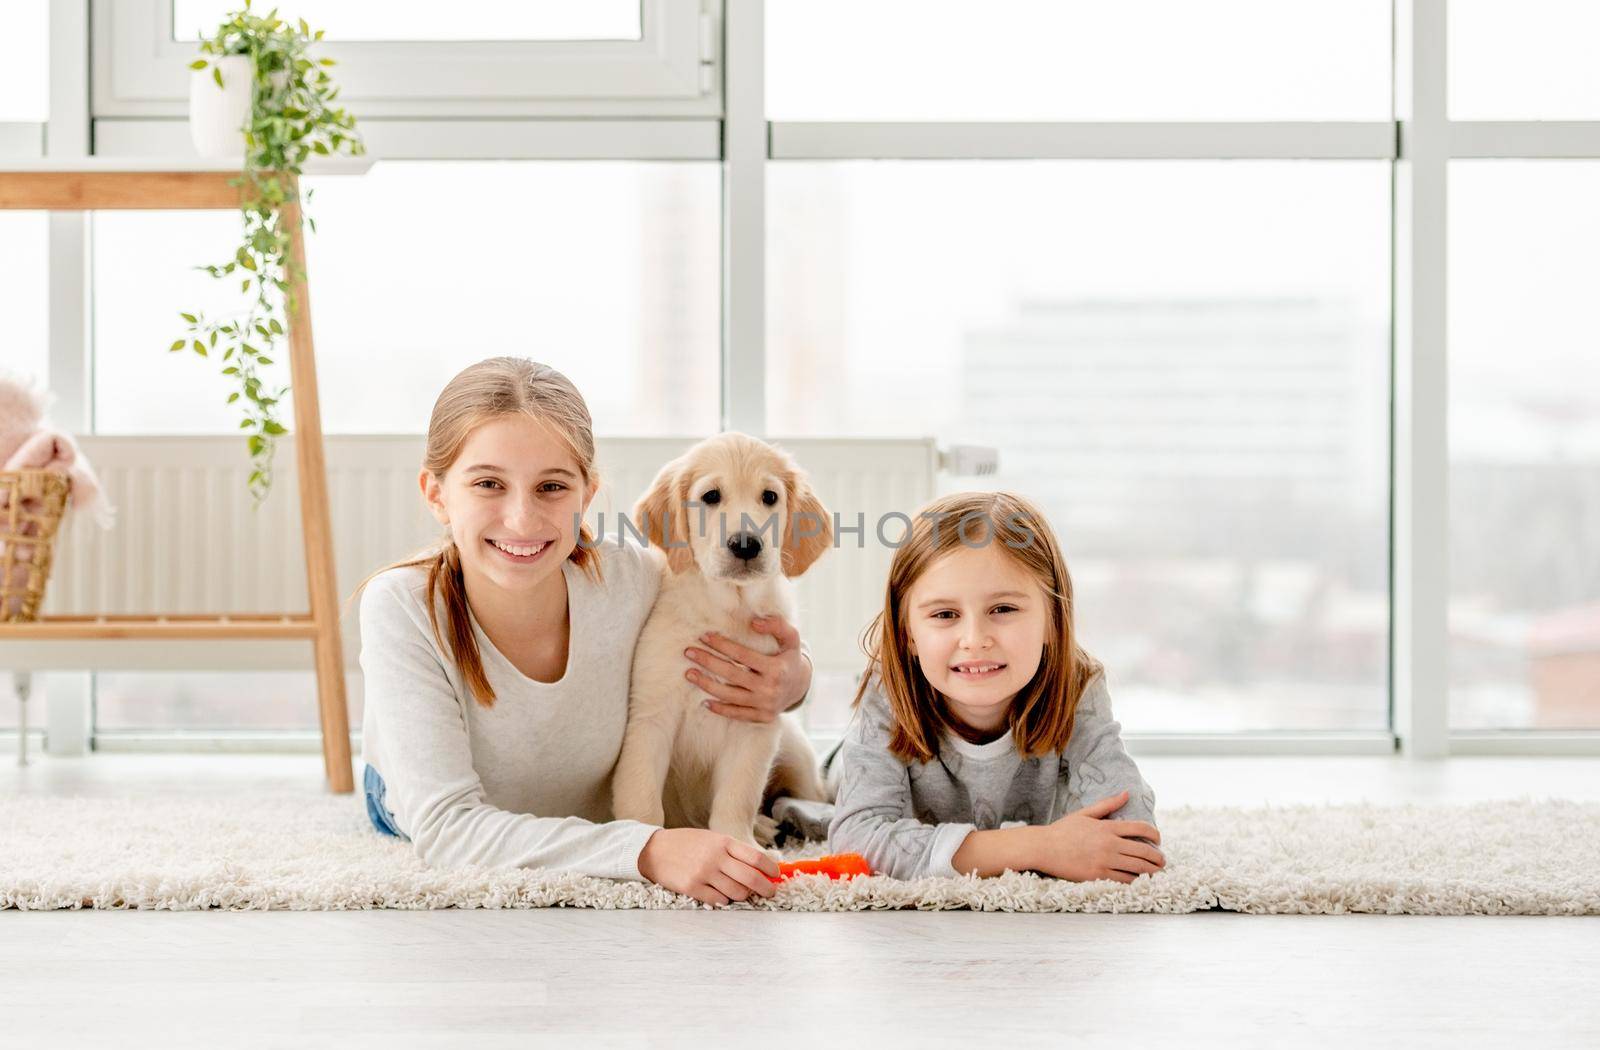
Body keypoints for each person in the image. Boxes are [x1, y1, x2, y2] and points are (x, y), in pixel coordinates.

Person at [357, 357, 814, 907]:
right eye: (488, 484)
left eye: (551, 486)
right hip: (422, 800)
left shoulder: (637, 579)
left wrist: (794, 680)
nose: (522, 519)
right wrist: (644, 850)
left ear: (587, 495)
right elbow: (448, 829)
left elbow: (745, 640)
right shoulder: (403, 606)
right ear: (436, 494)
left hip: (580, 807)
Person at [827, 490, 1166, 882]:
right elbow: (855, 842)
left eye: (1002, 609)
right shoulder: (888, 690)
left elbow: (1135, 839)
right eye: (945, 614)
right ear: (908, 636)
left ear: (1053, 621)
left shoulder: (1078, 687)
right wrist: (1043, 846)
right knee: (812, 800)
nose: (974, 639)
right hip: (847, 767)